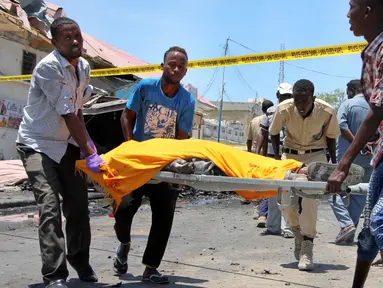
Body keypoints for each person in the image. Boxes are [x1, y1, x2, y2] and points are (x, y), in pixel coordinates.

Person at [15, 17, 103, 288]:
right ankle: (55, 275)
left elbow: (78, 110)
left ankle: (80, 260)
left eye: (78, 35)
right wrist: (89, 150)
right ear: (55, 42)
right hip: (37, 144)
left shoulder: (84, 66)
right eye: (68, 38)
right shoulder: (48, 68)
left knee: (78, 207)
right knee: (50, 208)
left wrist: (87, 145)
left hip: (66, 145)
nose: (76, 41)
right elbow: (67, 113)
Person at [114, 46, 195, 284]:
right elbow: (126, 116)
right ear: (162, 66)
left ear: (185, 71)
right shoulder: (146, 87)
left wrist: (176, 165)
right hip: (138, 161)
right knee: (124, 208)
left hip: (165, 164)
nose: (176, 68)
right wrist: (130, 148)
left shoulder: (187, 100)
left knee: (163, 216)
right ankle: (124, 244)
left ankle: (151, 268)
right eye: (172, 64)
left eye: (181, 65)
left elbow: (182, 137)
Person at [327, 1, 383, 287]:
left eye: (351, 6)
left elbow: (378, 110)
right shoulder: (373, 50)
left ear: (368, 10)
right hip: (379, 155)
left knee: (380, 222)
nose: (347, 14)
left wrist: (344, 162)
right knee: (371, 230)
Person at [269, 79, 340, 271]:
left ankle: (307, 245)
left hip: (315, 158)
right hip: (290, 156)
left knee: (309, 201)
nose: (300, 107)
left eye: (304, 102)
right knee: (286, 201)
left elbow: (332, 138)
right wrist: (277, 159)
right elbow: (273, 132)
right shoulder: (284, 108)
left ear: (313, 98)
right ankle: (297, 234)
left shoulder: (327, 112)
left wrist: (334, 166)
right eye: (297, 102)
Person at [329, 79, 377, 245]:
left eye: (347, 90)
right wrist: (369, 145)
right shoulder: (375, 107)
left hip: (347, 160)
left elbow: (342, 125)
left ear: (352, 90)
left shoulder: (347, 104)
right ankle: (349, 229)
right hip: (368, 159)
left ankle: (346, 224)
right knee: (359, 195)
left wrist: (359, 143)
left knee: (331, 190)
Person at [256, 83, 294, 238]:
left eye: (287, 96)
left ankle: (285, 227)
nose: (285, 98)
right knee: (275, 192)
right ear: (278, 96)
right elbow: (263, 135)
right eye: (283, 96)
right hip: (275, 157)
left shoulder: (295, 110)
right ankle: (275, 226)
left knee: (286, 192)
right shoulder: (272, 111)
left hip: (288, 157)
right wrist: (262, 155)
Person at [247, 100, 274, 225]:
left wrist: (249, 153)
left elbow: (249, 139)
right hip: (267, 152)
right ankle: (264, 212)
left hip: (254, 152)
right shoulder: (272, 117)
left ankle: (256, 210)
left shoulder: (254, 121)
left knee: (256, 182)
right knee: (267, 183)